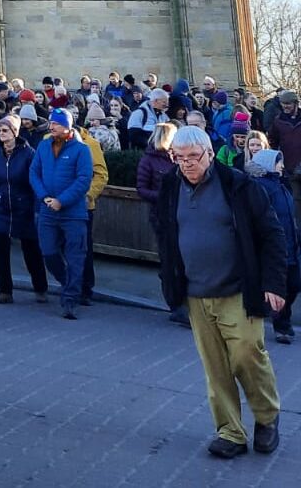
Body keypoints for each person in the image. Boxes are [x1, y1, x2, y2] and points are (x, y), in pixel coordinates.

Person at [155, 126, 285, 458]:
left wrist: (274, 283)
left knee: (246, 354)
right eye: (178, 158)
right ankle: (231, 432)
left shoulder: (239, 186)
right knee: (215, 366)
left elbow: (272, 234)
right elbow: (165, 233)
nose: (186, 164)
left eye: (193, 157)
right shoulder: (171, 186)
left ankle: (267, 417)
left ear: (210, 154)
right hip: (196, 293)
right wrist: (169, 277)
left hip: (238, 289)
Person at [30, 108, 94, 319]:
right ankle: (68, 283)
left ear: (66, 126)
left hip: (73, 213)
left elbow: (84, 179)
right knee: (48, 252)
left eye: (55, 124)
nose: (51, 127)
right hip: (48, 211)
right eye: (51, 123)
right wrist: (44, 196)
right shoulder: (43, 146)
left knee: (76, 256)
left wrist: (62, 200)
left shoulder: (81, 150)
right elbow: (34, 172)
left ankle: (70, 300)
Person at [0, 112, 48, 303]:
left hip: (22, 208)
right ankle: (4, 290)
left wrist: (36, 209)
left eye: (5, 130)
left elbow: (35, 182)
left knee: (31, 250)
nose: (1, 133)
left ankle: (40, 288)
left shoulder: (28, 154)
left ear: (15, 132)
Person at [245, 149, 299, 344]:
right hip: (274, 244)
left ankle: (278, 317)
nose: (282, 166)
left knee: (294, 283)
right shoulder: (260, 187)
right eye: (278, 162)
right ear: (268, 163)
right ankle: (280, 324)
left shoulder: (281, 185)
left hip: (290, 242)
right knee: (280, 284)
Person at [137, 122, 188, 324]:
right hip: (162, 216)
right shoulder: (148, 160)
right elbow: (141, 188)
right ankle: (175, 304)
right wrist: (164, 196)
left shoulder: (178, 158)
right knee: (169, 261)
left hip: (182, 214)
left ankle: (185, 301)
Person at [76, 116, 109, 306]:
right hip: (58, 203)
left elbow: (101, 173)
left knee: (82, 247)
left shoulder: (90, 144)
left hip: (83, 205)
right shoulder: (50, 140)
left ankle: (85, 287)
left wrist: (88, 195)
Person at [267, 90, 301, 223]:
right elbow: (273, 142)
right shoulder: (278, 122)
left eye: (288, 104)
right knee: (296, 202)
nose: (285, 106)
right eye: (283, 104)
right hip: (290, 168)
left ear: (295, 104)